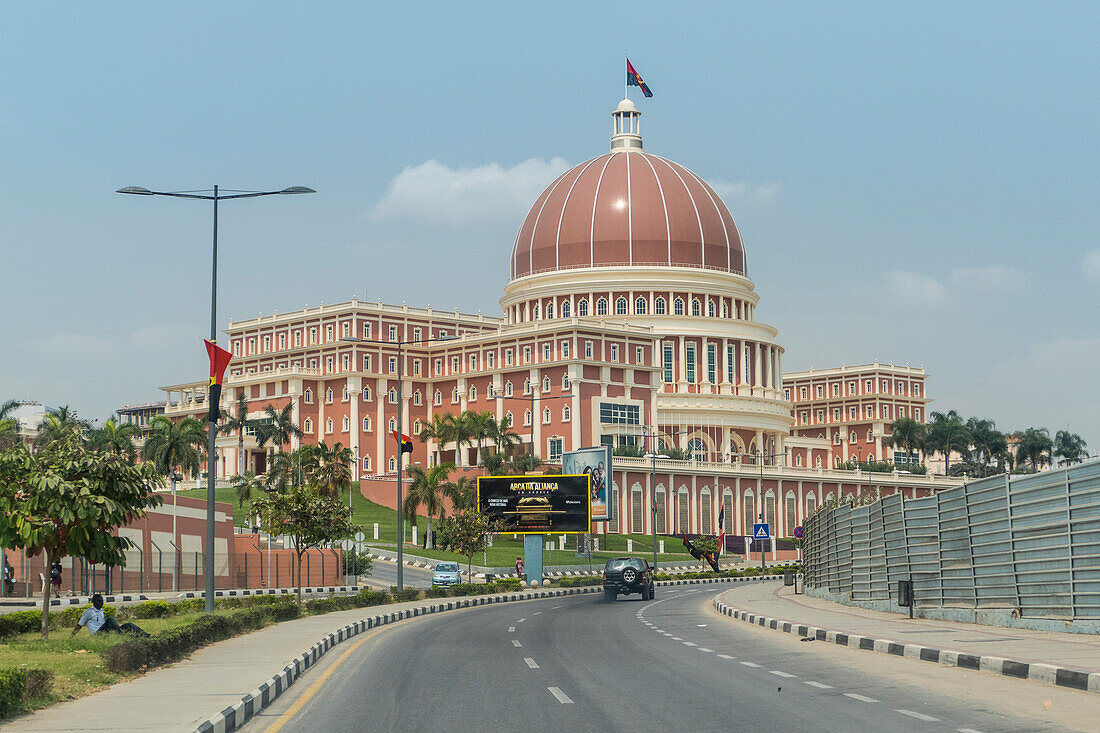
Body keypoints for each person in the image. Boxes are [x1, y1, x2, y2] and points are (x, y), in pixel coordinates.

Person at [71, 594, 149, 637]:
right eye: (99, 601)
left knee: (128, 625)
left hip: (106, 631)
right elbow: (79, 625)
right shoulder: (89, 612)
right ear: (94, 602)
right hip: (97, 634)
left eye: (102, 601)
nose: (101, 603)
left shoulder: (101, 610)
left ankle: (146, 636)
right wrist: (71, 637)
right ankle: (121, 635)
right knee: (110, 619)